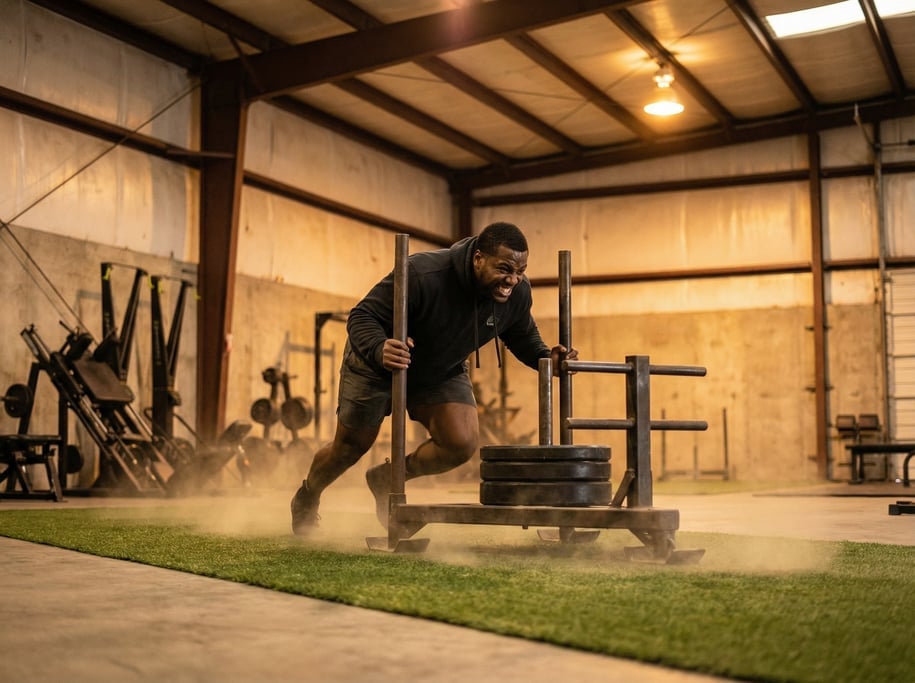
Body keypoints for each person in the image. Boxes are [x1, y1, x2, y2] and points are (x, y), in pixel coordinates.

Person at [290, 221, 577, 533]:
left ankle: (387, 477)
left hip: (440, 369)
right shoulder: (422, 273)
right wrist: (378, 348)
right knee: (350, 448)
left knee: (460, 443)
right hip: (377, 363)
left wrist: (546, 358)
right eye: (504, 269)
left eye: (520, 271)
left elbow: (522, 336)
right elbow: (362, 316)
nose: (513, 280)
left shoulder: (517, 293)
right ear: (478, 258)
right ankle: (308, 494)